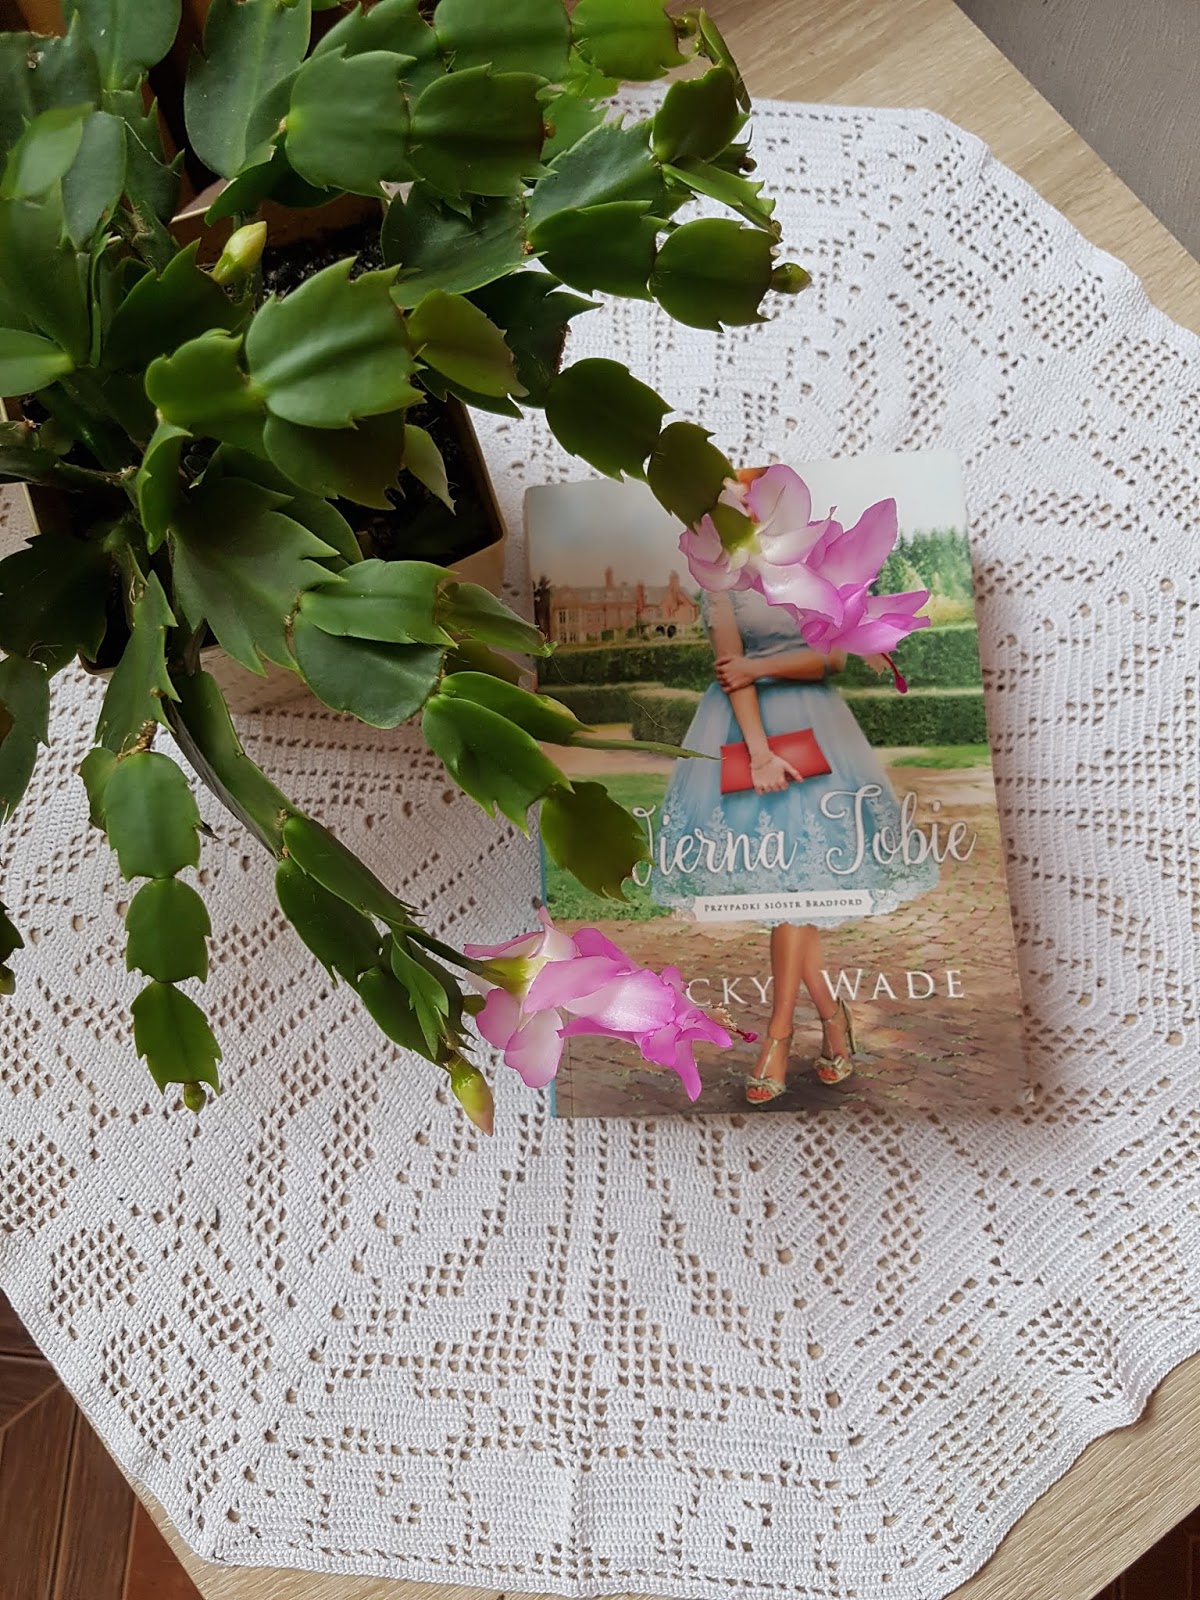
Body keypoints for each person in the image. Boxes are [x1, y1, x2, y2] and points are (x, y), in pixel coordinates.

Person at [650, 587, 938, 1103]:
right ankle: (830, 1018)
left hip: (815, 727)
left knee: (800, 890)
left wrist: (758, 667)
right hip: (748, 730)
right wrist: (760, 756)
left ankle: (779, 1034)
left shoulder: (817, 576)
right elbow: (729, 670)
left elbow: (830, 660)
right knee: (791, 891)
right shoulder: (720, 581)